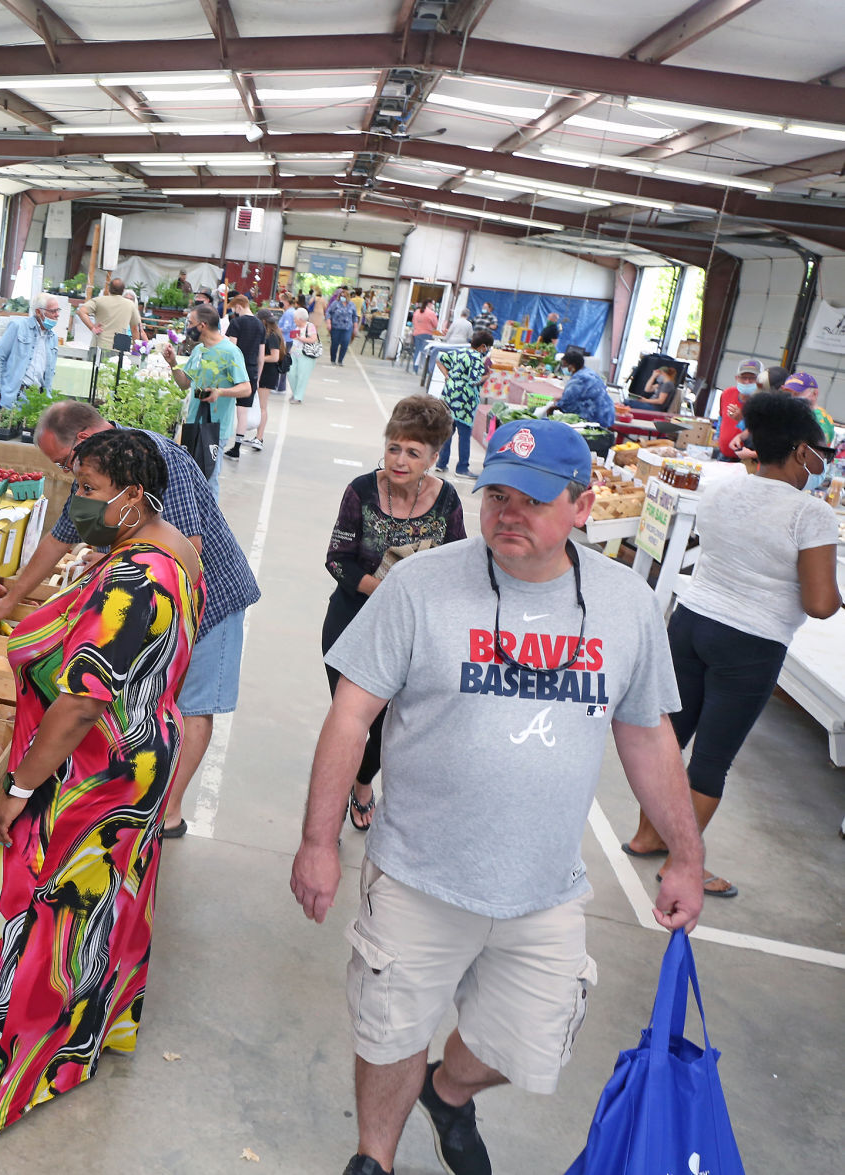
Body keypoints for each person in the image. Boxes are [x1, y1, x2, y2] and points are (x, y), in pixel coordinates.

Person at [292, 417, 707, 1175]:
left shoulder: (624, 604)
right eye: (496, 496)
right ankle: (372, 1158)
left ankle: (447, 1091)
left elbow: (647, 735)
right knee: (389, 1032)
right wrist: (318, 841)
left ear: (581, 507)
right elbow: (350, 713)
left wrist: (684, 854)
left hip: (542, 885)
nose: (506, 514)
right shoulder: (421, 583)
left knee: (528, 1043)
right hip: (418, 868)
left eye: (532, 500)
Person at [0, 430, 204, 1152]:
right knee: (99, 908)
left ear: (132, 497)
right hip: (143, 752)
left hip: (88, 770)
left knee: (26, 918)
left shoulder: (135, 578)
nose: (74, 501)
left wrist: (19, 787)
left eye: (86, 490)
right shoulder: (173, 547)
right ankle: (79, 1044)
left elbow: (82, 699)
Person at [0, 401, 261, 843]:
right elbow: (63, 536)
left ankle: (168, 815)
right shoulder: (105, 478)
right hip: (137, 743)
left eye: (70, 471)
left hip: (213, 597)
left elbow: (189, 546)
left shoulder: (148, 473)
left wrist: (19, 786)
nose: (71, 486)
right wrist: (16, 598)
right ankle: (157, 810)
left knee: (194, 705)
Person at [622, 392, 839, 901]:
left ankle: (647, 836)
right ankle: (683, 863)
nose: (823, 464)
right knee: (712, 758)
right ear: (801, 449)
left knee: (669, 737)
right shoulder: (810, 515)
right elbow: (820, 604)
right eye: (820, 453)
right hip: (750, 642)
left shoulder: (721, 489)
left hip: (692, 622)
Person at [324, 396, 466, 833]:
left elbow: (458, 563)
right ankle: (340, 795)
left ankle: (363, 780)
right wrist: (388, 591)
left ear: (433, 458)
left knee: (393, 727)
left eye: (412, 453)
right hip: (353, 623)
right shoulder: (362, 490)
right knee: (353, 718)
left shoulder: (447, 501)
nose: (399, 461)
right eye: (393, 448)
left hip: (415, 634)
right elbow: (337, 560)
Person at [164, 304, 252, 489]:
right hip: (193, 424)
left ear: (202, 325)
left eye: (190, 323)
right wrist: (172, 363)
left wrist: (220, 392)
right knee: (189, 479)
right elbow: (184, 384)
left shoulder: (230, 352)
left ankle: (210, 519)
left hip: (214, 428)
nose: (188, 327)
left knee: (208, 481)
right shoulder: (198, 351)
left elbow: (246, 388)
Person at [435, 328, 494, 477]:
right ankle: (462, 468)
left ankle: (441, 464)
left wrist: (447, 376)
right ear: (483, 346)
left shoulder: (459, 352)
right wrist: (487, 376)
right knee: (464, 434)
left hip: (449, 396)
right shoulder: (476, 359)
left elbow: (439, 359)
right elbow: (474, 380)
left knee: (448, 430)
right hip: (464, 401)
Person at [0, 294, 61, 411]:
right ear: (38, 312)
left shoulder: (53, 338)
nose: (57, 315)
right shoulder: (18, 327)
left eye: (58, 310)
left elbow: (49, 372)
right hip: (15, 395)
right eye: (53, 311)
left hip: (37, 398)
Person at [225, 293, 268, 453]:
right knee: (243, 410)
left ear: (238, 306)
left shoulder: (236, 323)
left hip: (235, 370)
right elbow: (261, 356)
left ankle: (221, 438)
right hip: (251, 371)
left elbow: (231, 349)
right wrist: (258, 376)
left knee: (225, 403)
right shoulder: (260, 326)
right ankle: (236, 447)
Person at [547, 345, 615, 428]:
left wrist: (552, 407)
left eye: (565, 365)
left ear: (573, 366)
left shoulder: (578, 379)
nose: (563, 368)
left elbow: (566, 403)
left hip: (596, 417)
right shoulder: (589, 372)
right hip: (607, 413)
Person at [76, 277, 138, 355]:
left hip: (99, 345)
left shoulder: (99, 300)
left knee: (94, 366)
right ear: (123, 291)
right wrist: (135, 351)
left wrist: (92, 327)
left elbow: (81, 311)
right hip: (119, 349)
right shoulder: (130, 305)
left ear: (109, 288)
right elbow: (135, 328)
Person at [721, 357, 764, 461]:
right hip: (724, 454)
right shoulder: (727, 393)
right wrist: (718, 438)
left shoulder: (763, 401)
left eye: (752, 378)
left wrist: (742, 419)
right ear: (736, 378)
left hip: (747, 459)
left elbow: (760, 431)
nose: (747, 381)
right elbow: (721, 418)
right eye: (743, 377)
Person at [782, 371, 835, 444]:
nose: (791, 398)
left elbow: (815, 449)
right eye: (788, 394)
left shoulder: (821, 420)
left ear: (815, 393)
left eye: (797, 394)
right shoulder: (791, 413)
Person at [290, 311, 321, 403]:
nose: (294, 320)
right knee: (290, 372)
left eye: (295, 318)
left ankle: (298, 396)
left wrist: (300, 338)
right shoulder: (296, 326)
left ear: (300, 319)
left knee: (302, 375)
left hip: (306, 353)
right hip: (294, 352)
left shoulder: (310, 326)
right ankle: (295, 392)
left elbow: (313, 339)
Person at [327, 290, 359, 366]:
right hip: (336, 327)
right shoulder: (335, 303)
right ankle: (333, 359)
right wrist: (328, 322)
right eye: (341, 296)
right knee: (335, 344)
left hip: (347, 328)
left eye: (344, 296)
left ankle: (340, 360)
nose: (342, 298)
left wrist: (355, 327)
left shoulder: (351, 305)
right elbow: (328, 312)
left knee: (345, 343)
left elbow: (355, 316)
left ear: (348, 297)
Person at [410, 301, 440, 368]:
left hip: (417, 333)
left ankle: (415, 368)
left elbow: (413, 321)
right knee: (424, 352)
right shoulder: (431, 313)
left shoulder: (417, 311)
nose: (433, 306)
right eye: (433, 304)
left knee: (417, 351)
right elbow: (435, 324)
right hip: (426, 334)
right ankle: (422, 367)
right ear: (429, 304)